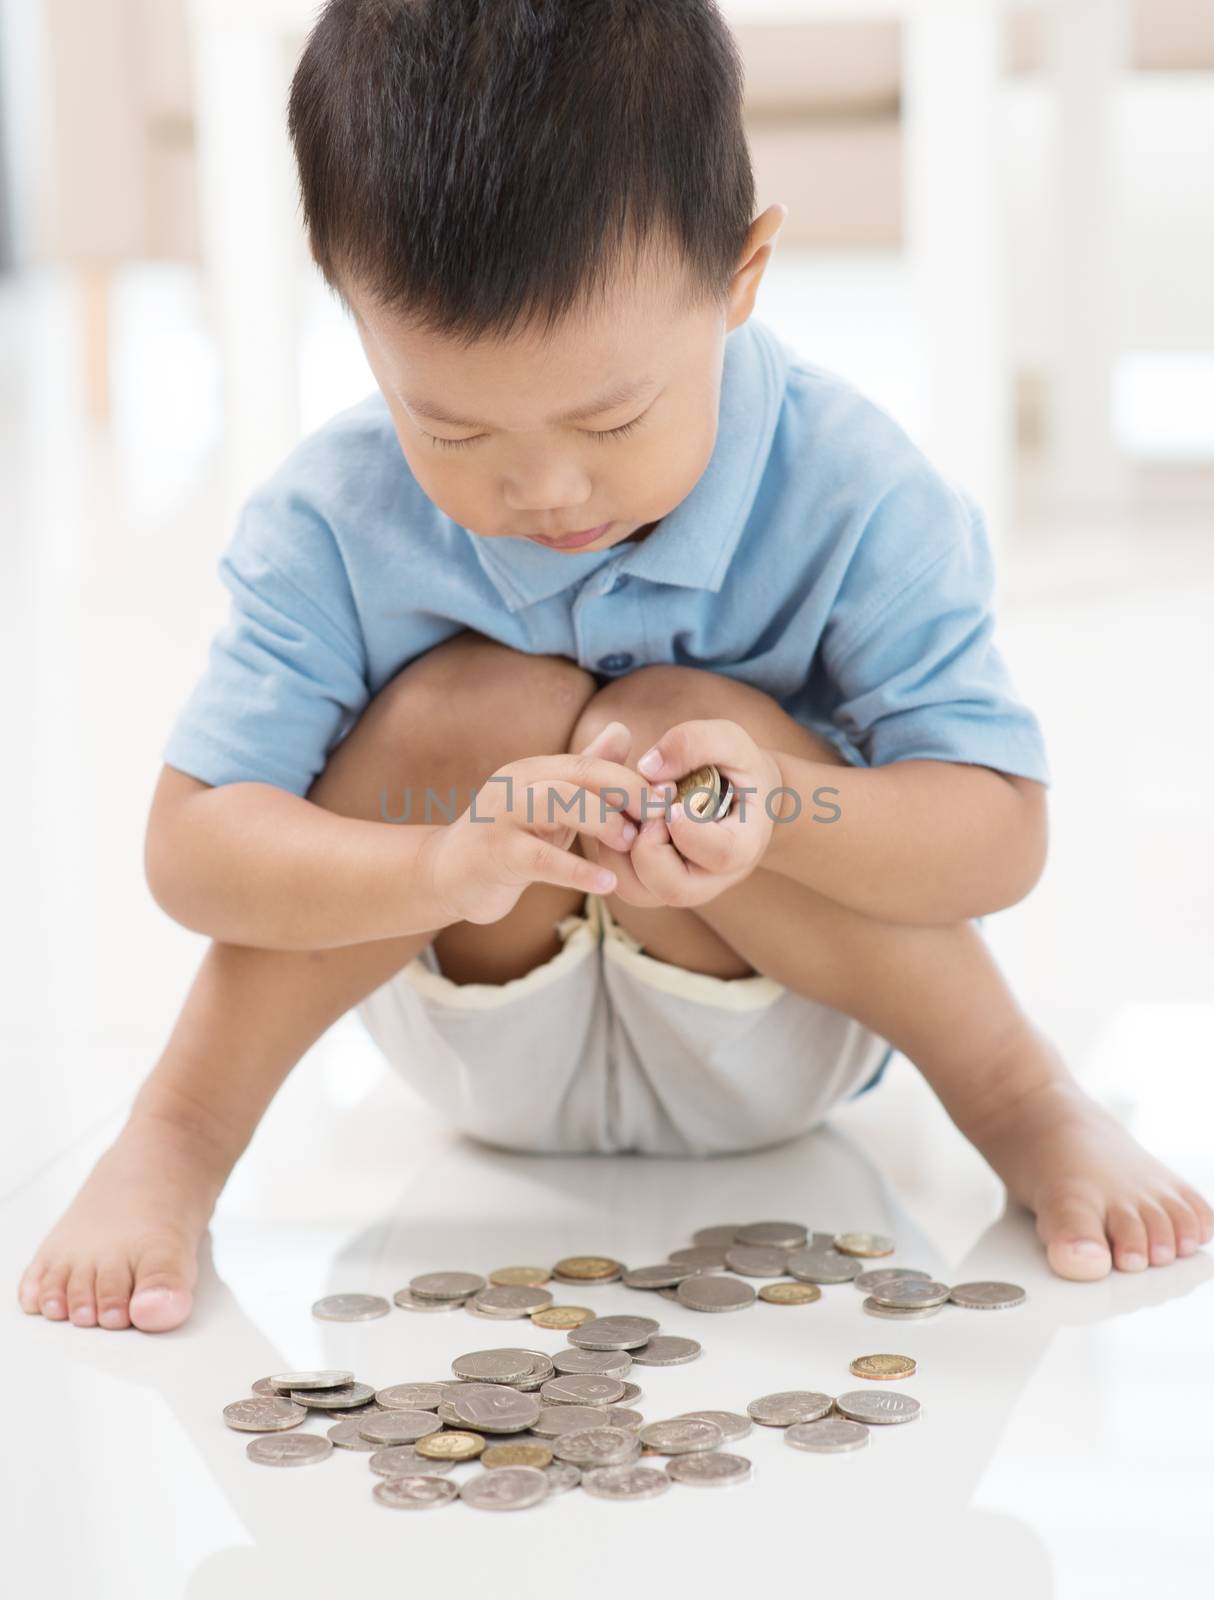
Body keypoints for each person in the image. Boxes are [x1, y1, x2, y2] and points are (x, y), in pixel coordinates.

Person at [19, 0, 1209, 1333]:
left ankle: (1024, 1104)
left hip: (773, 1013)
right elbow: (193, 849)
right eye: (451, 426)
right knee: (478, 713)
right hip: (479, 1017)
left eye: (611, 413)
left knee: (672, 726)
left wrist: (779, 809)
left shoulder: (855, 490)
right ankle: (177, 1136)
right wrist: (439, 861)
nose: (544, 487)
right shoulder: (330, 519)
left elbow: (995, 836)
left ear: (740, 279)